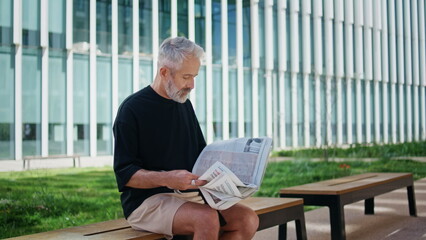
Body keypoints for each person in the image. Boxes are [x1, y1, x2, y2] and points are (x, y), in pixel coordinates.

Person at [113, 36, 259, 240]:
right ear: (164, 72)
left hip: (189, 195)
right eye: (186, 77)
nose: (192, 85)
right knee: (206, 219)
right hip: (146, 202)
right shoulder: (132, 110)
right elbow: (125, 174)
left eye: (194, 76)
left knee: (247, 219)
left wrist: (231, 172)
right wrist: (167, 178)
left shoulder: (183, 104)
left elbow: (201, 153)